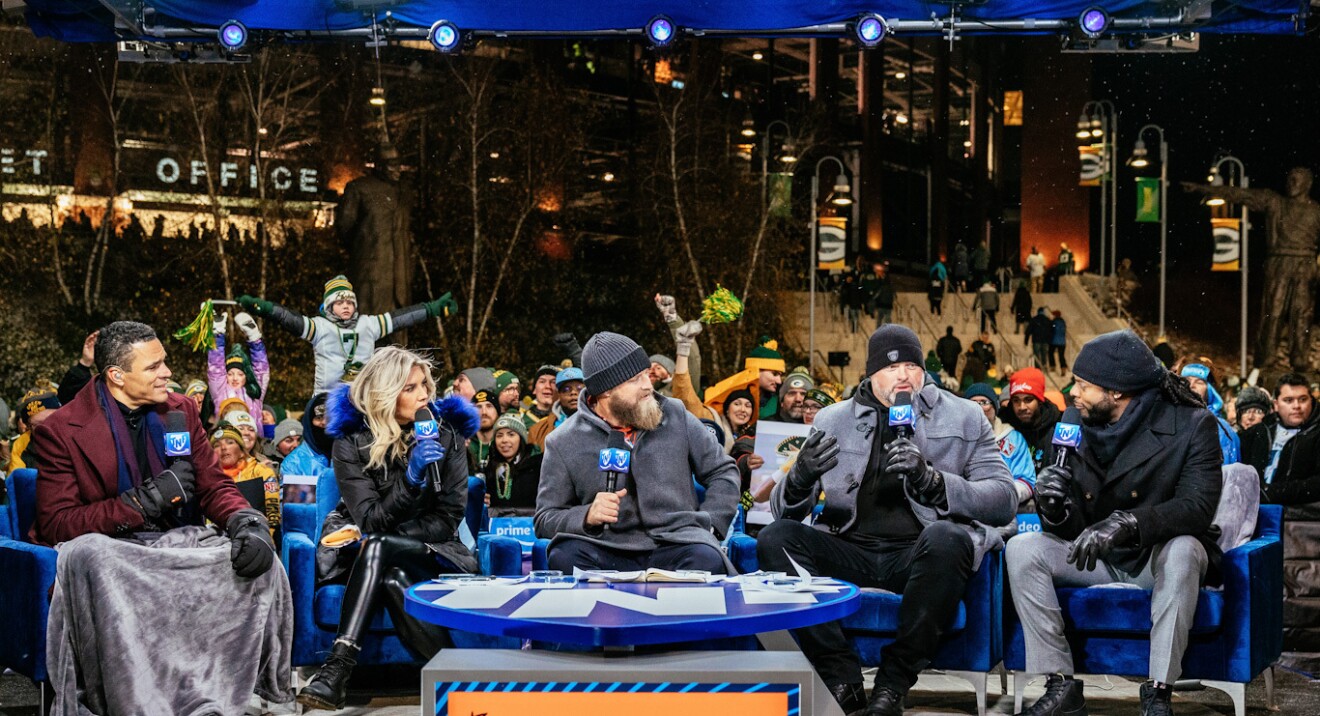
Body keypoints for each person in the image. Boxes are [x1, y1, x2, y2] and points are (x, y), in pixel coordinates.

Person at [757, 324, 1016, 716]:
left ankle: (892, 685)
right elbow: (783, 511)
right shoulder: (831, 418)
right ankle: (841, 678)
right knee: (776, 538)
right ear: (871, 374)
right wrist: (800, 477)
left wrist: (934, 482)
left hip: (920, 555)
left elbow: (1004, 499)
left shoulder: (964, 416)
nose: (903, 376)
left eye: (912, 366)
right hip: (849, 549)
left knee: (949, 538)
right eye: (892, 368)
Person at [31, 321, 287, 714]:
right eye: (153, 366)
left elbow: (214, 485)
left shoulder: (181, 410)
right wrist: (144, 502)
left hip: (176, 547)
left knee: (260, 560)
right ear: (117, 375)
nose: (167, 372)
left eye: (164, 361)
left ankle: (238, 693)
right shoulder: (61, 430)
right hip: (115, 550)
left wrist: (247, 522)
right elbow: (58, 524)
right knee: (92, 554)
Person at [1007, 330, 1223, 716]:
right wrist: (1053, 508)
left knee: (1185, 549)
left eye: (1083, 385)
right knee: (1023, 548)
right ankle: (1060, 685)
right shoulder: (1071, 426)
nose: (1073, 393)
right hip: (1098, 557)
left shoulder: (1193, 424)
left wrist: (1128, 523)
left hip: (1155, 556)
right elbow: (1067, 528)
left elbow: (1197, 507)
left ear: (1117, 392)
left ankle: (1158, 692)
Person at [298, 347, 479, 710]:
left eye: (424, 384)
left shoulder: (447, 433)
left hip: (432, 548)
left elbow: (448, 518)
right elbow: (369, 520)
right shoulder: (350, 442)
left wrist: (392, 538)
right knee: (393, 577)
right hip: (366, 550)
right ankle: (463, 682)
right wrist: (411, 479)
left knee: (381, 546)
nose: (424, 394)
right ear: (384, 393)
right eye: (410, 388)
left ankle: (337, 670)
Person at [535, 332, 740, 574]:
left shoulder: (675, 414)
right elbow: (545, 518)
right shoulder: (562, 440)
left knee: (706, 558)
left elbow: (723, 472)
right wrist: (587, 515)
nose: (647, 385)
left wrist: (712, 525)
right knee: (564, 555)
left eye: (646, 374)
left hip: (677, 542)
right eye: (634, 379)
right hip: (606, 547)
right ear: (605, 391)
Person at [238, 275, 458, 394]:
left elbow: (400, 318)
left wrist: (431, 309)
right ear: (328, 307)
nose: (346, 306)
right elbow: (291, 320)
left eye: (350, 302)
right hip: (327, 398)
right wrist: (266, 309)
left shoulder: (368, 324)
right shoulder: (319, 327)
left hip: (363, 397)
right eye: (339, 302)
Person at [1241, 372, 1318, 500]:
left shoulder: (1316, 432)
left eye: (1303, 399)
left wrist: (1271, 493)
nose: (1296, 406)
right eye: (1288, 400)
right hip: (1253, 507)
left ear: (1311, 400)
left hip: (1299, 510)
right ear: (1276, 405)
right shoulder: (1260, 431)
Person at [964, 383, 1035, 506]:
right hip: (964, 509)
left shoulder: (1013, 439)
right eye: (973, 403)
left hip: (1004, 509)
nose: (979, 408)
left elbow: (1026, 480)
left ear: (995, 407)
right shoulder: (956, 439)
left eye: (984, 402)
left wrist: (999, 497)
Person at [211, 421, 281, 537]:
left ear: (241, 450)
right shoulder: (209, 479)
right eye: (217, 445)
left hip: (257, 536)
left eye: (230, 442)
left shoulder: (261, 472)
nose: (223, 448)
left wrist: (267, 538)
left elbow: (273, 514)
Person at [206, 311, 269, 427]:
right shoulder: (219, 392)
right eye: (230, 374)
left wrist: (255, 339)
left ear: (247, 376)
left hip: (253, 437)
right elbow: (216, 368)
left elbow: (261, 369)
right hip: (227, 437)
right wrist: (217, 335)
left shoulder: (254, 392)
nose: (235, 378)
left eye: (240, 374)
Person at [704, 336, 786, 421]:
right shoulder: (728, 395)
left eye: (780, 375)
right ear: (756, 370)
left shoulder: (780, 398)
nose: (779, 381)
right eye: (774, 374)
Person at [999, 367, 1062, 473]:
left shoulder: (1056, 427)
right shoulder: (1002, 426)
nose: (1022, 407)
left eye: (1028, 400)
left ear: (1040, 401)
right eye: (1016, 400)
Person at [479, 414, 543, 517]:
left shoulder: (538, 464)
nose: (504, 440)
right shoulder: (490, 467)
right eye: (499, 435)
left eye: (511, 434)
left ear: (521, 438)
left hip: (530, 523)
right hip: (498, 524)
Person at [1179, 362, 1241, 465]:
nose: (1191, 386)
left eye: (1199, 382)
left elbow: (1226, 470)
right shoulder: (1168, 419)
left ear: (1210, 391)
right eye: (1186, 381)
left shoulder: (1220, 428)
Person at [528, 367, 584, 450]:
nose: (573, 392)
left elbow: (605, 456)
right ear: (559, 395)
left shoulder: (601, 423)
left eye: (579, 388)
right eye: (566, 389)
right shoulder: (537, 431)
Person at [279, 393, 333, 480]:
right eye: (319, 418)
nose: (324, 422)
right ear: (309, 422)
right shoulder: (293, 463)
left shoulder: (350, 452)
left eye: (329, 418)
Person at [8, 389, 60, 471]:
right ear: (28, 426)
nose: (46, 428)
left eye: (51, 420)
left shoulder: (75, 434)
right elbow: (17, 476)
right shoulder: (21, 445)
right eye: (37, 424)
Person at [466, 388, 500, 473]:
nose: (484, 412)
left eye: (489, 406)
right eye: (478, 407)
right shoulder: (465, 443)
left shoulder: (503, 443)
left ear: (498, 412)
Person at [1048, 310, 1068, 375]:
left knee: (1050, 352)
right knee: (1061, 355)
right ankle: (1063, 368)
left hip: (1054, 341)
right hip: (1062, 342)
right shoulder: (1063, 322)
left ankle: (1052, 366)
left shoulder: (1053, 322)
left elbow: (1051, 331)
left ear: (1055, 315)